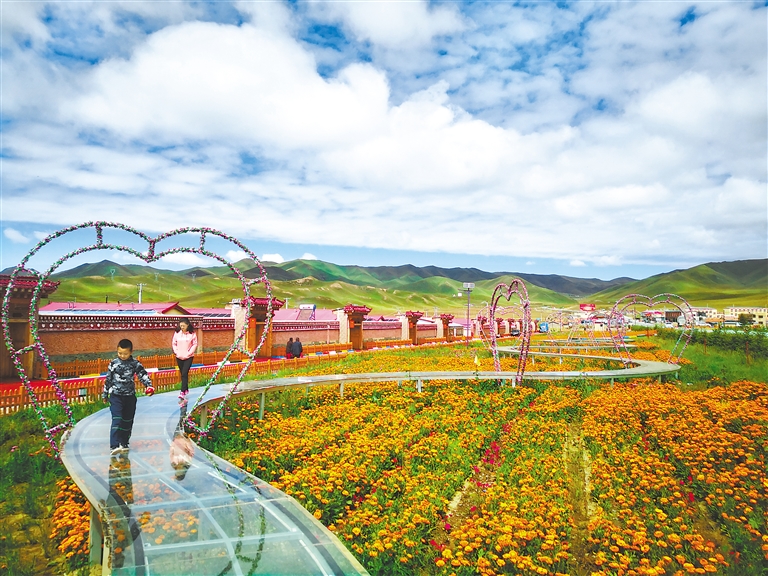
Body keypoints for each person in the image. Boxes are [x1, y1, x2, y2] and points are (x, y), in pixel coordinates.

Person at [103, 338, 154, 455]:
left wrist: (149, 386)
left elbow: (142, 375)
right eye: (120, 353)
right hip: (116, 396)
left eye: (125, 353)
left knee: (127, 420)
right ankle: (114, 445)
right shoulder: (113, 364)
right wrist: (105, 394)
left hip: (129, 397)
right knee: (117, 419)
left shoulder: (135, 364)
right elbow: (108, 379)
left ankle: (124, 442)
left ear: (131, 352)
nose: (122, 356)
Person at [172, 319, 198, 400]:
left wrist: (189, 353)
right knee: (183, 374)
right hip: (179, 356)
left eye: (183, 326)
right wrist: (176, 352)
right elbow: (174, 343)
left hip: (188, 357)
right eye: (181, 326)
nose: (182, 327)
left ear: (187, 325)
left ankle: (182, 391)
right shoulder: (177, 333)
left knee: (184, 373)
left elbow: (194, 344)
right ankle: (186, 389)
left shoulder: (192, 334)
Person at [170, 404, 194, 481]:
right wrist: (187, 440)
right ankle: (184, 408)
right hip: (182, 439)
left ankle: (184, 408)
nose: (179, 471)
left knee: (181, 423)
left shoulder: (174, 463)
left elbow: (171, 452)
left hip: (177, 439)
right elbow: (191, 451)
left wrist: (173, 443)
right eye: (179, 473)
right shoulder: (187, 462)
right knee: (182, 423)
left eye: (177, 473)